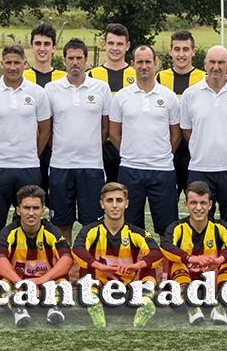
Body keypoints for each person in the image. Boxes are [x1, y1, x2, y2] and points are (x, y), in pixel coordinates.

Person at [0, 44, 52, 237]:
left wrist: (33, 154)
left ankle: (26, 265)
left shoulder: (37, 92)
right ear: (2, 64)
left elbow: (45, 130)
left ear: (25, 64)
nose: (12, 67)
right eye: (8, 62)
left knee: (29, 225)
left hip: (28, 168)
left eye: (16, 62)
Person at [109, 45, 181, 235]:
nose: (144, 66)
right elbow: (114, 134)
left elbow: (176, 134)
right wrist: (130, 153)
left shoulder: (169, 97)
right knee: (131, 228)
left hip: (162, 170)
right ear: (132, 64)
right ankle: (135, 265)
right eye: (139, 62)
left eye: (148, 61)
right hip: (130, 169)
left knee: (167, 228)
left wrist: (162, 154)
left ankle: (167, 265)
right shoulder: (122, 97)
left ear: (155, 64)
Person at [44, 38, 111, 240]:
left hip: (91, 166)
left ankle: (88, 267)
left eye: (79, 58)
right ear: (63, 60)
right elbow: (47, 127)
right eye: (70, 58)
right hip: (60, 165)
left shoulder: (101, 88)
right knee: (62, 223)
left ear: (86, 60)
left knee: (91, 224)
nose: (75, 62)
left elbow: (105, 126)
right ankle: (65, 267)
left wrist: (90, 146)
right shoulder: (51, 89)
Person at [180, 45, 227, 231]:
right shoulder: (190, 94)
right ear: (204, 64)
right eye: (212, 62)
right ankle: (201, 260)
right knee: (199, 225)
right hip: (200, 169)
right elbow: (187, 131)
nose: (216, 67)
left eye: (221, 62)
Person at [73, 182, 162, 328]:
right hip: (100, 290)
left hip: (128, 294)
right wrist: (100, 266)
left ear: (126, 204)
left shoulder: (136, 233)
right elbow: (77, 250)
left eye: (119, 200)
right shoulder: (90, 230)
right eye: (109, 200)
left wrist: (136, 266)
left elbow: (156, 253)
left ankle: (145, 300)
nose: (114, 205)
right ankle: (93, 301)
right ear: (102, 204)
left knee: (148, 266)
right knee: (86, 265)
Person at [160, 181, 227, 326]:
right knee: (175, 261)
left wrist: (219, 260)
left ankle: (220, 306)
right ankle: (192, 307)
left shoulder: (219, 226)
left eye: (203, 203)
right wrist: (191, 258)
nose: (198, 208)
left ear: (210, 205)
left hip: (212, 283)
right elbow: (165, 245)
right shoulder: (178, 227)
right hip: (185, 283)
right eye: (193, 203)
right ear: (186, 205)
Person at [0, 185, 73, 327]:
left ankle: (54, 308)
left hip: (44, 285)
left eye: (35, 208)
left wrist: (41, 280)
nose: (31, 213)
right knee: (1, 284)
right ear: (18, 210)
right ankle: (19, 310)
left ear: (42, 211)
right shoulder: (9, 232)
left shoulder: (51, 231)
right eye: (26, 208)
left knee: (64, 283)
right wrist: (23, 283)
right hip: (18, 285)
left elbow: (67, 259)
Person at [157, 29, 206, 196]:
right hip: (167, 151)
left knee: (198, 202)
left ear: (193, 51)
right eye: (177, 49)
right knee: (167, 204)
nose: (181, 54)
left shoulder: (204, 79)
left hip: (196, 152)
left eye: (186, 49)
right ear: (170, 51)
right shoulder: (159, 79)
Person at [88, 23, 136, 183]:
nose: (115, 48)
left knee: (125, 198)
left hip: (129, 146)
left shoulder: (137, 75)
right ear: (104, 44)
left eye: (120, 44)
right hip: (98, 148)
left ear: (127, 46)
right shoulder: (91, 76)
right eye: (111, 43)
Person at [24, 22, 66, 194]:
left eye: (47, 44)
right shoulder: (22, 77)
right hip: (27, 149)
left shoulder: (64, 78)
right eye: (38, 44)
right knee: (27, 199)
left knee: (56, 200)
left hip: (57, 150)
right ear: (31, 47)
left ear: (54, 48)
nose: (42, 49)